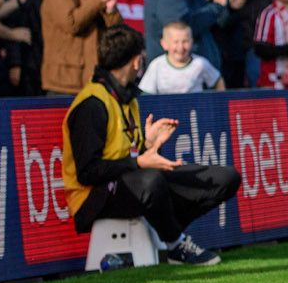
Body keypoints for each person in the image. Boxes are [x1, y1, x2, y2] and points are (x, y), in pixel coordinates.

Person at [61, 25, 240, 266]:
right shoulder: (92, 104)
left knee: (224, 178)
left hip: (128, 182)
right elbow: (87, 173)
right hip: (92, 198)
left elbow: (127, 155)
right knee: (150, 180)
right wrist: (139, 161)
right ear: (136, 61)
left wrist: (148, 144)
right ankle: (176, 244)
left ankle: (164, 233)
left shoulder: (125, 97)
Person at [140, 20, 225, 94]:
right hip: (166, 111)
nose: (180, 47)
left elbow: (217, 80)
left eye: (185, 41)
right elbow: (146, 93)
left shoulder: (200, 63)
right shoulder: (157, 65)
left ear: (192, 42)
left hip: (194, 111)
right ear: (164, 44)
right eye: (176, 42)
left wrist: (220, 104)